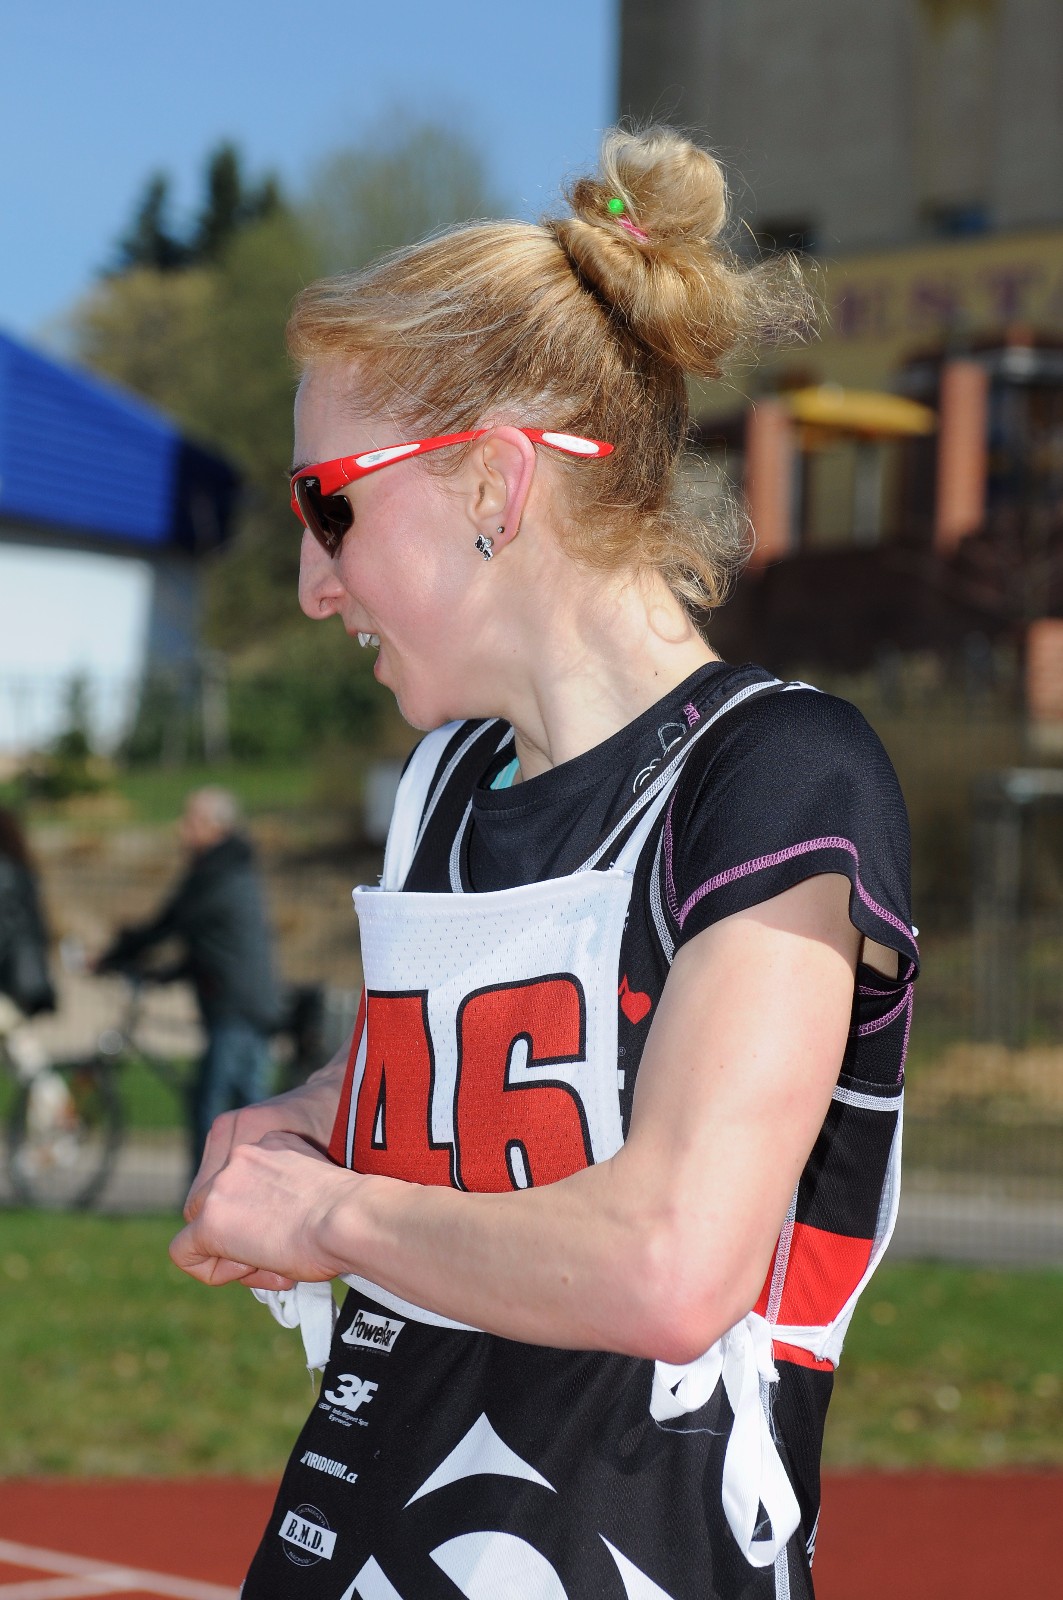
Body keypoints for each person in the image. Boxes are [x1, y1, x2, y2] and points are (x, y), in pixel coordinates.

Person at [170, 127, 917, 1599]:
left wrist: (322, 1215)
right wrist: (308, 1122)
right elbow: (481, 1083)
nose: (313, 583)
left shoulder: (776, 777)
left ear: (492, 486)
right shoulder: (446, 783)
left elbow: (669, 1261)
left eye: (330, 506)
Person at [99, 786, 279, 1174]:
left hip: (237, 1008)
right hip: (243, 1004)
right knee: (242, 1110)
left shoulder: (217, 874)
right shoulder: (229, 869)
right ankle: (238, 1192)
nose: (182, 829)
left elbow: (171, 923)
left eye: (192, 820)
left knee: (216, 1113)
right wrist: (159, 973)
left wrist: (112, 957)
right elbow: (206, 945)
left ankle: (206, 1195)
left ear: (217, 826)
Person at [0, 806, 55, 1073]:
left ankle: (54, 1099)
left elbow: (6, 932)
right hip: (23, 977)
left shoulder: (5, 874)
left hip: (12, 978)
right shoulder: (18, 869)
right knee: (21, 1049)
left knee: (22, 1047)